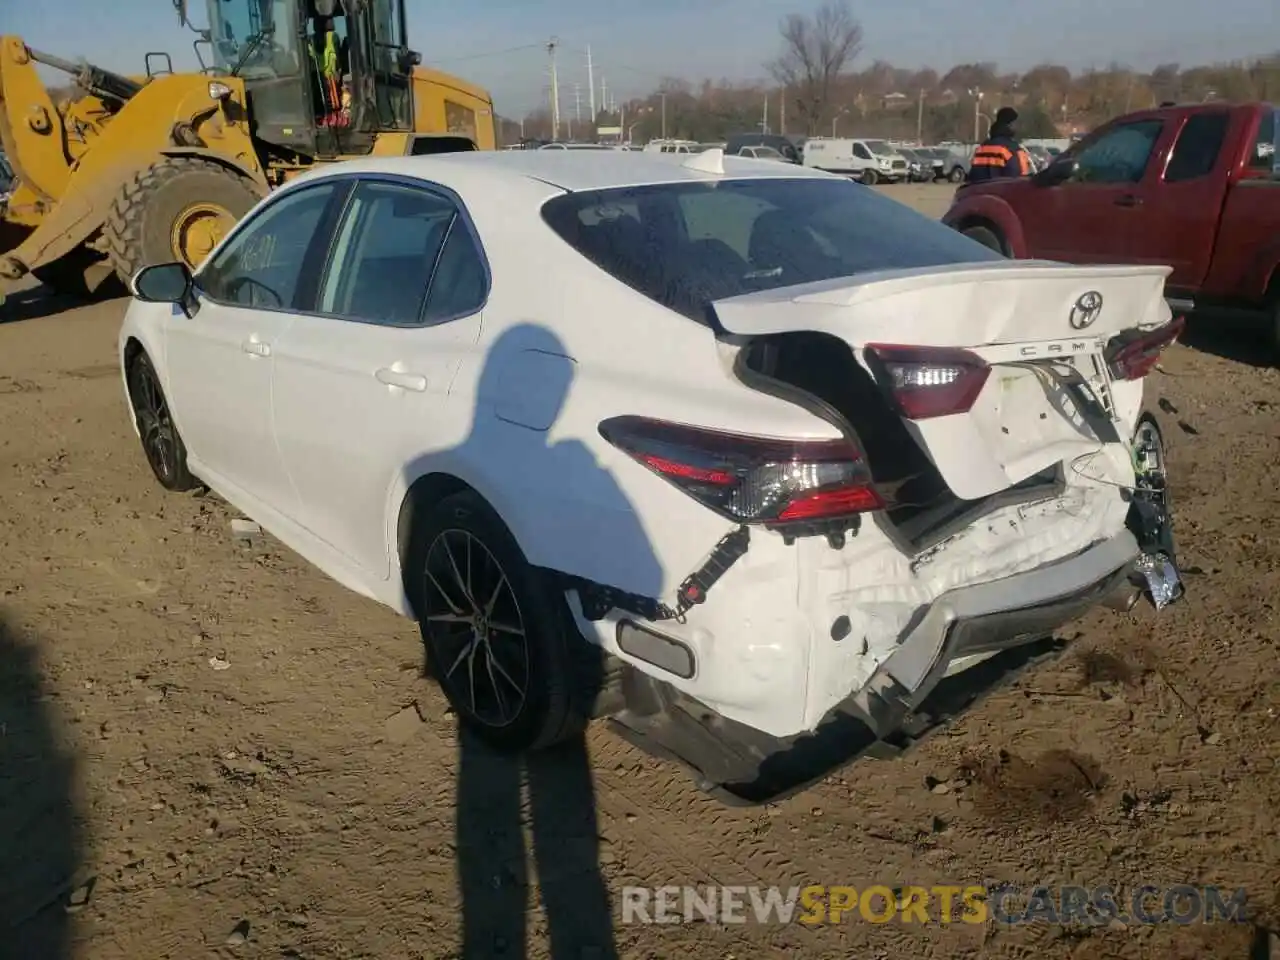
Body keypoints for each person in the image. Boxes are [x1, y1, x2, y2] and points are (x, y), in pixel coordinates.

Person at [965, 107, 1033, 183]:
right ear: (1010, 125)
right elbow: (1021, 180)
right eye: (1016, 123)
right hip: (1004, 193)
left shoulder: (981, 148)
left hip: (981, 192)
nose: (1017, 127)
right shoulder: (1013, 150)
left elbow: (973, 177)